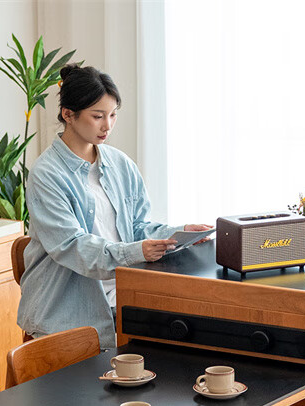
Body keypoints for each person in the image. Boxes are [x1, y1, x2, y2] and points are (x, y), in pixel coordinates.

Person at [17, 63, 211, 348]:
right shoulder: (47, 174)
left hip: (122, 305)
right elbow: (72, 246)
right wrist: (135, 252)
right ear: (68, 114)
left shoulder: (120, 164)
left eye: (113, 114)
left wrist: (177, 234)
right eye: (97, 116)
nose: (107, 125)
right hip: (64, 319)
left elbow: (137, 227)